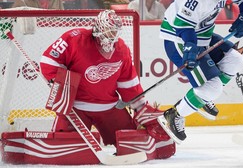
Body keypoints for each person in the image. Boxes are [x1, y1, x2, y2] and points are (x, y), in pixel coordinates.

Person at [39, 10, 175, 159]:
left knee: (133, 145)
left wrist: (141, 108)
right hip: (75, 108)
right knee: (64, 152)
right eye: (108, 31)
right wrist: (58, 83)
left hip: (108, 107)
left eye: (114, 32)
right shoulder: (74, 38)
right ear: (98, 27)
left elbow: (128, 84)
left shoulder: (121, 49)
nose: (111, 36)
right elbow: (48, 61)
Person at [158, 0, 243, 143]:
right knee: (213, 87)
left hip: (202, 35)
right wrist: (189, 47)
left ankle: (202, 97)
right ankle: (174, 114)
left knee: (235, 60)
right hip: (178, 37)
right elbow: (183, 26)